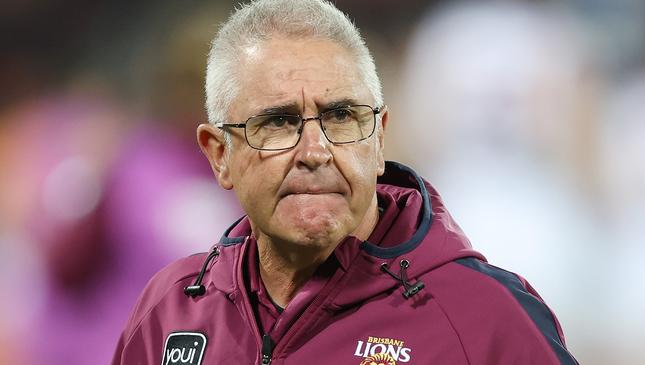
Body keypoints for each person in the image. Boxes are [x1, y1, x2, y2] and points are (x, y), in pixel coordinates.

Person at [112, 1, 579, 364]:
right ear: (220, 155)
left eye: (341, 117)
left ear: (379, 141)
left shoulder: (484, 319)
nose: (315, 152)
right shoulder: (170, 312)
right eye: (278, 122)